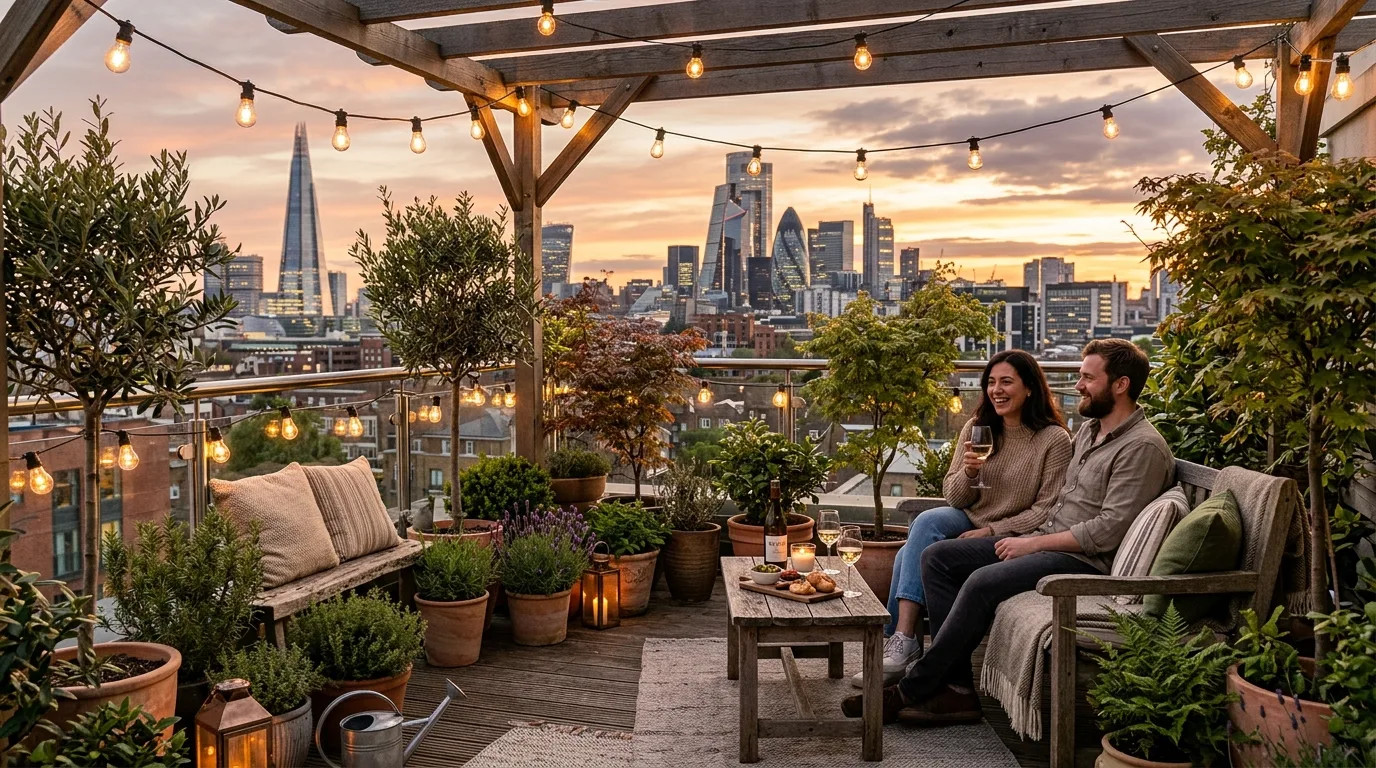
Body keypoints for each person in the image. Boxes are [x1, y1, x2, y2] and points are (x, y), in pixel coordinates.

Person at [842, 338, 1174, 724]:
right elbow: (1037, 502)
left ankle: (910, 690)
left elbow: (1106, 531)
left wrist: (1029, 542)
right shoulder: (1090, 432)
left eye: (1087, 378)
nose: (1079, 385)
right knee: (936, 556)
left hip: (1081, 560)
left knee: (982, 582)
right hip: (1049, 541)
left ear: (1121, 384)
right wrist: (1011, 524)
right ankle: (958, 689)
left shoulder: (1142, 447)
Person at [855, 349, 1072, 689]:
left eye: (1006, 382)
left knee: (904, 555)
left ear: (1030, 387)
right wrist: (970, 474)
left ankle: (906, 648)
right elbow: (954, 497)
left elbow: (1046, 510)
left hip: (1012, 529)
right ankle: (905, 637)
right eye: (990, 382)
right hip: (968, 516)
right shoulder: (977, 427)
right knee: (927, 523)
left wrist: (991, 530)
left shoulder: (1053, 440)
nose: (996, 390)